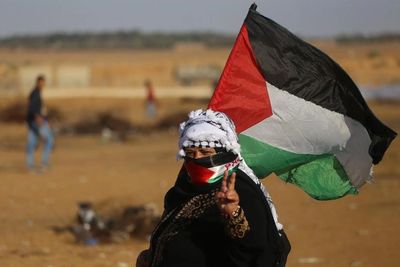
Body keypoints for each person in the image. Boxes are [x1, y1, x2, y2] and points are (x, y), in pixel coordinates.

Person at [137, 109, 290, 267]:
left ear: (225, 153)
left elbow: (254, 251)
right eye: (190, 153)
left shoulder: (241, 190)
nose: (197, 160)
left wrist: (233, 214)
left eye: (205, 152)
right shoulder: (185, 187)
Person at [26, 75, 54, 172]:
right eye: (41, 82)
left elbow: (40, 110)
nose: (42, 84)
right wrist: (38, 118)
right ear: (38, 82)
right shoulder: (35, 93)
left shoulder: (37, 93)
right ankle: (43, 163)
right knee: (49, 140)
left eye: (43, 82)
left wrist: (46, 120)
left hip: (32, 122)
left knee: (31, 143)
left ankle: (31, 166)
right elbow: (32, 108)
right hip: (36, 122)